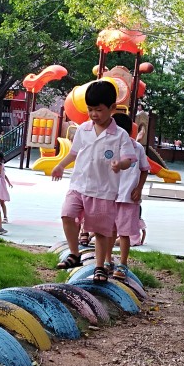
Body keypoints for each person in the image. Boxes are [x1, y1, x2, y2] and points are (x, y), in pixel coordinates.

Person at [51, 80, 132, 283]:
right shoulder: (83, 130)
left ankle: (100, 266)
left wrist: (120, 164)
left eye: (99, 110)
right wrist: (60, 165)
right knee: (67, 214)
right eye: (90, 109)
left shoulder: (120, 135)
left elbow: (129, 159)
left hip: (103, 191)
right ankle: (74, 253)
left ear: (112, 108)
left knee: (100, 231)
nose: (94, 114)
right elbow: (74, 153)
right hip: (79, 185)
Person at [106, 112, 150, 278]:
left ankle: (123, 264)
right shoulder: (108, 147)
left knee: (124, 233)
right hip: (110, 196)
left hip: (128, 198)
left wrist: (139, 188)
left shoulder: (137, 148)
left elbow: (144, 170)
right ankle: (107, 261)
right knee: (109, 232)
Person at [0, 150, 13, 223]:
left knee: (0, 201)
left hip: (0, 184)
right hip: (0, 184)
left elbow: (0, 174)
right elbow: (4, 175)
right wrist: (8, 182)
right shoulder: (0, 165)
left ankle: (4, 217)